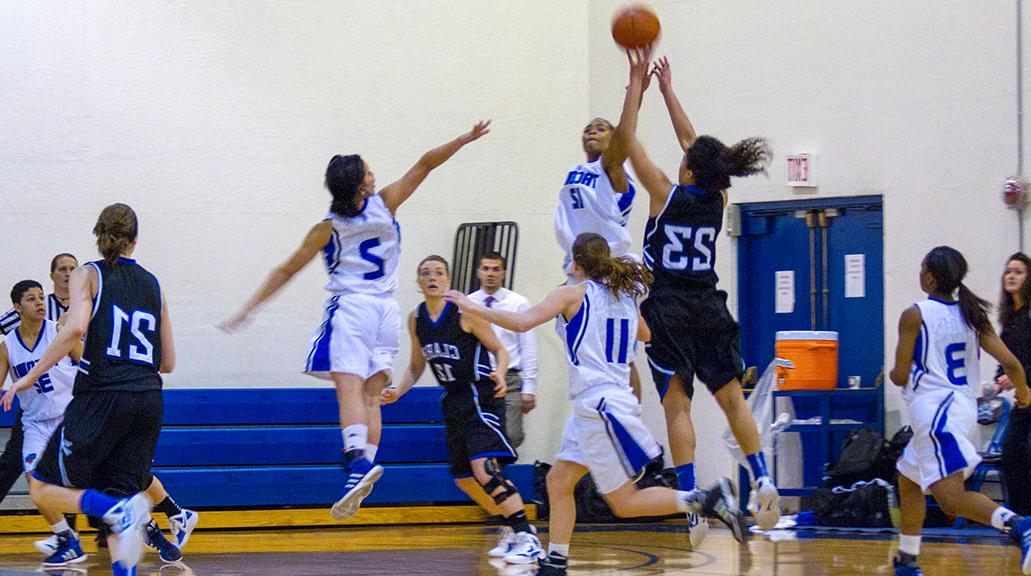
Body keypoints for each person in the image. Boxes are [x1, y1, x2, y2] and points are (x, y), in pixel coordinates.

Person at [221, 121, 491, 520]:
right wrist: (464, 140)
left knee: (347, 392)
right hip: (387, 312)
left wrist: (249, 308)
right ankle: (365, 469)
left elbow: (285, 271)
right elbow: (426, 164)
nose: (374, 173)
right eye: (368, 171)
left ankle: (355, 465)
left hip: (353, 309)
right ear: (361, 186)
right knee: (371, 398)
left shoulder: (325, 229)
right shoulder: (387, 202)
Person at [445, 232, 747, 576]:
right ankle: (556, 562)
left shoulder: (571, 294)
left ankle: (707, 499)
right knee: (558, 482)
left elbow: (521, 322)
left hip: (599, 403)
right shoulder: (622, 297)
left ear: (575, 264)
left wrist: (471, 306)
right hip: (598, 404)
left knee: (624, 502)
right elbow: (645, 334)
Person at [617, 49, 779, 538]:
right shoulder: (717, 197)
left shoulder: (665, 193)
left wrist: (638, 88)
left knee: (677, 404)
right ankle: (763, 478)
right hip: (710, 306)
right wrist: (670, 92)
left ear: (687, 168)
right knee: (733, 399)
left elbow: (626, 142)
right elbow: (697, 145)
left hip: (668, 308)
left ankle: (691, 502)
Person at [1, 203, 174, 576]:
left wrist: (29, 377)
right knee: (118, 495)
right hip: (149, 398)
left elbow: (76, 329)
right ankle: (121, 530)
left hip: (103, 397)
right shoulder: (154, 284)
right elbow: (169, 362)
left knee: (42, 489)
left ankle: (116, 511)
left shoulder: (88, 274)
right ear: (135, 240)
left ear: (98, 235)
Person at [383, 255, 542, 565]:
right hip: (453, 400)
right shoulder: (416, 319)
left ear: (448, 280)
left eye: (439, 272)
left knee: (485, 469)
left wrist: (500, 371)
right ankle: (509, 528)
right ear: (418, 282)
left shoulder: (465, 313)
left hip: (480, 395)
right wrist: (397, 391)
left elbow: (499, 349)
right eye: (425, 273)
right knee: (464, 478)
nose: (432, 277)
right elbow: (417, 365)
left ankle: (527, 536)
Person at [888, 246, 1031, 576]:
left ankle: (1019, 525)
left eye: (921, 268)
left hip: (935, 412)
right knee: (908, 479)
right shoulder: (972, 316)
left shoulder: (915, 314)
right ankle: (908, 561)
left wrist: (900, 372)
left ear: (929, 276)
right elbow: (1011, 363)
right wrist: (1024, 394)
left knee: (951, 499)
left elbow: (898, 374)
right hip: (962, 412)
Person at [0, 280, 80, 563]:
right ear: (17, 307)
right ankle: (66, 538)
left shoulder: (58, 331)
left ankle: (139, 520)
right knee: (37, 485)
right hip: (35, 424)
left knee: (83, 480)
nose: (39, 303)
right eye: (31, 299)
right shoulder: (8, 345)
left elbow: (87, 366)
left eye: (40, 298)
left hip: (67, 417)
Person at [467, 252, 538, 448]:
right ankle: (490, 476)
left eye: (496, 269)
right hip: (479, 378)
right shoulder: (467, 303)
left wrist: (530, 388)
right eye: (486, 269)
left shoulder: (518, 303)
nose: (490, 273)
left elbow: (529, 348)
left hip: (510, 378)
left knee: (512, 434)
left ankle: (498, 473)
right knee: (480, 433)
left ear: (504, 273)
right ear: (478, 272)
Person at [996, 253, 1031, 516]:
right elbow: (1007, 359)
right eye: (1008, 271)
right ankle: (1022, 519)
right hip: (1023, 400)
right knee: (1010, 455)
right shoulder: (1010, 319)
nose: (1011, 275)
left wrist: (1020, 377)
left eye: (1018, 271)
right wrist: (999, 381)